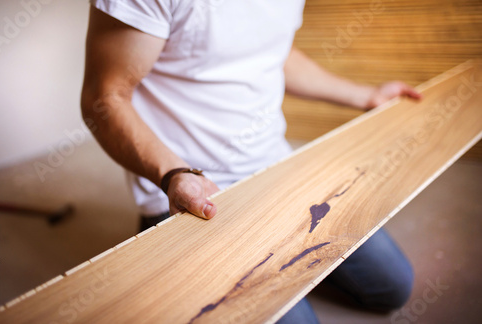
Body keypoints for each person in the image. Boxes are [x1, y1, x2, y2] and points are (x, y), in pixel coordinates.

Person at [81, 1, 420, 323]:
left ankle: (280, 260)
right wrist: (173, 174)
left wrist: (365, 95)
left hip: (276, 169)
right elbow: (104, 97)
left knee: (392, 287)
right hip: (192, 198)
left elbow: (273, 50)